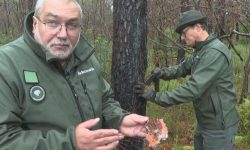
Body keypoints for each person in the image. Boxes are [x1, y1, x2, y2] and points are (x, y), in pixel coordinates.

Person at [0, 0, 149, 149]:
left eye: (72, 25)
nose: (63, 34)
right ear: (35, 23)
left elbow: (103, 100)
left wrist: (119, 119)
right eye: (52, 23)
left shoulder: (84, 57)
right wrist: (71, 143)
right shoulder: (7, 64)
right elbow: (4, 140)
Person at [135, 10, 240, 150]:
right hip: (205, 122)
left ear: (198, 27)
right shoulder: (202, 50)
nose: (182, 38)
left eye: (184, 33)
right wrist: (164, 73)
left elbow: (193, 89)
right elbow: (183, 68)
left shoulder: (214, 53)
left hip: (219, 126)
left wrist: (156, 96)